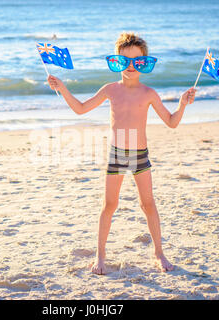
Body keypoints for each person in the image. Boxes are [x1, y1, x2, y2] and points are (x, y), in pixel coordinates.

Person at [47, 32, 196, 274]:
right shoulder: (110, 90)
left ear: (144, 64)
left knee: (148, 204)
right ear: (116, 61)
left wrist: (181, 104)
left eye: (137, 62)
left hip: (140, 155)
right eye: (124, 61)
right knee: (109, 204)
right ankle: (100, 256)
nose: (130, 67)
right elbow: (81, 109)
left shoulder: (148, 93)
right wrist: (62, 87)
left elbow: (171, 122)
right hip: (116, 154)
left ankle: (159, 253)